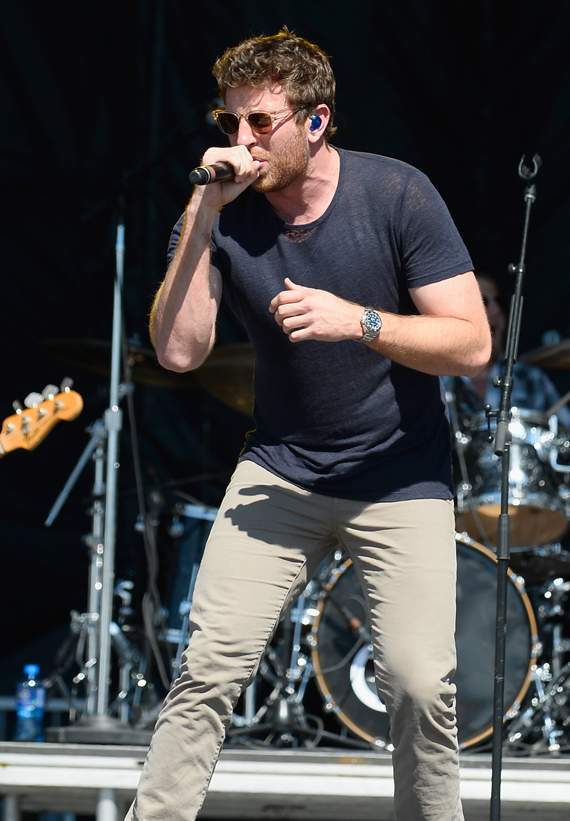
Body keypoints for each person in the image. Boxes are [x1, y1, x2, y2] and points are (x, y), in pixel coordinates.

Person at [127, 29, 490, 821]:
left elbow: (471, 342)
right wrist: (200, 209)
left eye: (261, 123)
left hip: (400, 473)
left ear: (316, 121)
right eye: (231, 124)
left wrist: (356, 321)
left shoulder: (397, 194)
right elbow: (179, 351)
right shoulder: (223, 214)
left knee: (423, 684)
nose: (242, 142)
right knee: (209, 671)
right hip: (283, 473)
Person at [447, 269, 570, 427]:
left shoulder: (528, 377)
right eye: (483, 301)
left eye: (500, 302)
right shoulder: (436, 380)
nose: (496, 310)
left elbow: (565, 437)